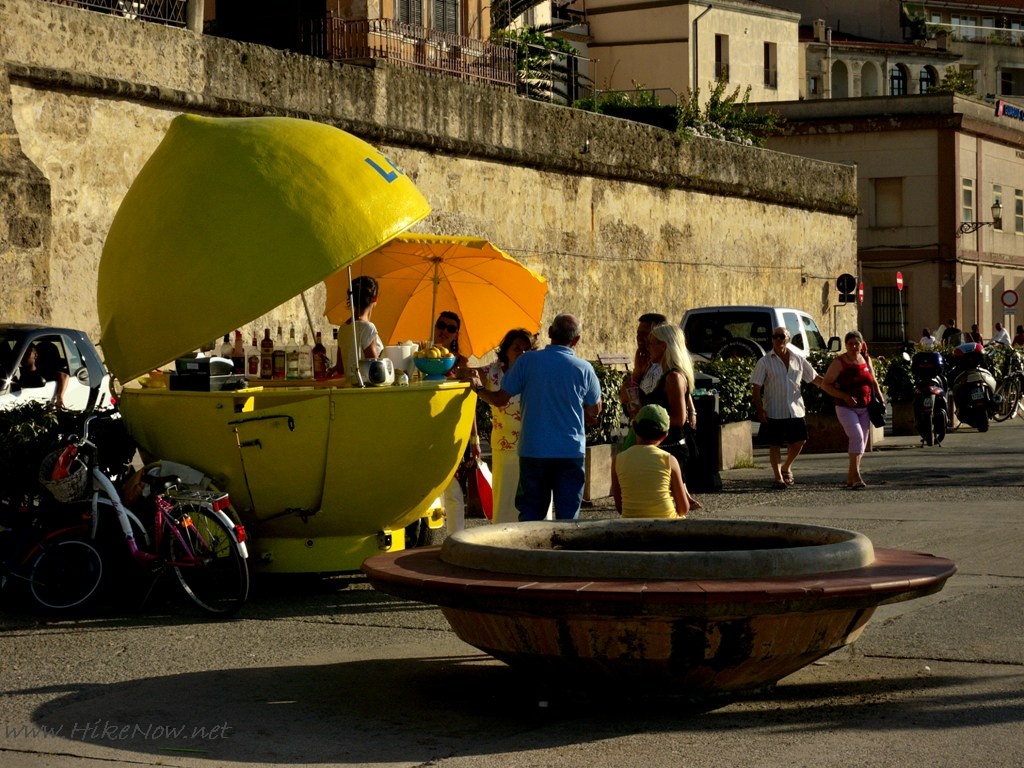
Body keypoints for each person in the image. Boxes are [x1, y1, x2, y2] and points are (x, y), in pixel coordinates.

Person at [473, 313, 602, 521]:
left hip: (534, 451)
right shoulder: (584, 369)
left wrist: (478, 388)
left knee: (531, 515)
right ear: (576, 340)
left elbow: (499, 399)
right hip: (570, 452)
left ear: (550, 333)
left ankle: (527, 553)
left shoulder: (527, 361)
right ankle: (563, 553)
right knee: (568, 519)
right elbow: (594, 410)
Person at [749, 326, 837, 489]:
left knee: (800, 441)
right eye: (775, 337)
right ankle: (778, 478)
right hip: (774, 410)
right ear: (771, 339)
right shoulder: (764, 361)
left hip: (795, 409)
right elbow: (756, 387)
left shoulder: (798, 359)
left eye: (781, 336)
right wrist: (760, 409)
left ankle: (786, 466)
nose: (778, 340)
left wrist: (835, 389)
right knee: (774, 444)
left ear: (788, 339)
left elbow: (815, 379)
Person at [477, 328, 539, 524]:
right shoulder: (492, 372)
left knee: (533, 498)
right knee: (505, 498)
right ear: (506, 350)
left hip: (532, 445)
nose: (521, 352)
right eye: (517, 347)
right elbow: (470, 375)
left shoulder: (535, 374)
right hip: (503, 446)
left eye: (526, 349)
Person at [641, 323, 701, 510]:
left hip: (670, 446)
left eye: (651, 343)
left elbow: (678, 418)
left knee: (665, 505)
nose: (647, 347)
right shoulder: (668, 374)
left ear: (664, 346)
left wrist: (647, 422)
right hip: (667, 445)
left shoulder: (673, 377)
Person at [822, 331, 884, 489]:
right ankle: (856, 476)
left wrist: (881, 399)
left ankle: (850, 477)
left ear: (862, 344)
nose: (853, 347)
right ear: (845, 345)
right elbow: (826, 384)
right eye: (850, 344)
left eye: (856, 344)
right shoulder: (839, 362)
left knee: (861, 443)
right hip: (845, 407)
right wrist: (843, 396)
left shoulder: (866, 359)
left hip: (865, 407)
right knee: (856, 437)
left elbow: (873, 381)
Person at [611, 404, 688, 518]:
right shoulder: (669, 460)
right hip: (667, 526)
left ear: (634, 426)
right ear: (665, 435)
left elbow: (620, 507)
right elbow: (683, 509)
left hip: (630, 525)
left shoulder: (618, 459)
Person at [618, 312, 667, 419]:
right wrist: (637, 373)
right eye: (638, 334)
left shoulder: (662, 368)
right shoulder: (645, 363)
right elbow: (624, 397)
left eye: (645, 334)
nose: (639, 338)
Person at [334, 275, 382, 380]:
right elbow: (375, 368)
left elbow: (340, 368)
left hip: (349, 387)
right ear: (375, 298)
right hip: (365, 388)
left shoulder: (343, 328)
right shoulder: (368, 328)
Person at [432, 310, 469, 375]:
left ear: (456, 335)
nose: (445, 331)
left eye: (451, 329)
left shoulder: (461, 362)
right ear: (435, 328)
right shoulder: (421, 357)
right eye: (441, 325)